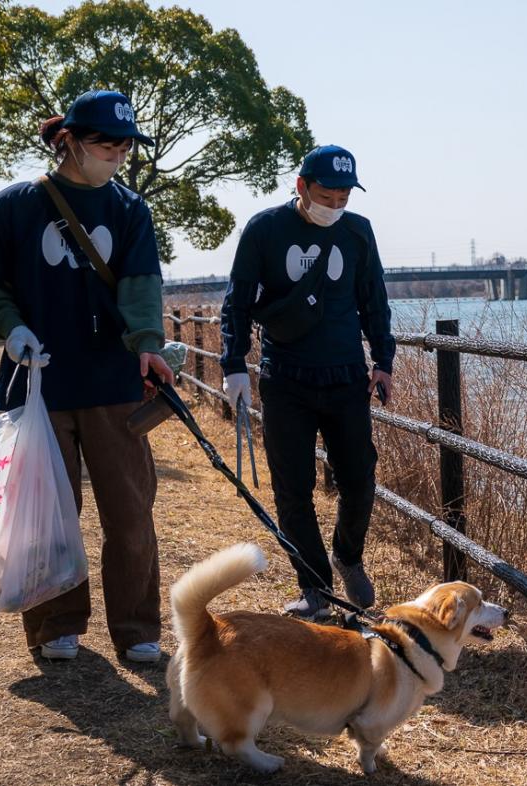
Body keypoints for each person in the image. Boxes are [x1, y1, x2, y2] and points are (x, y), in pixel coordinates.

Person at [0, 89, 174, 662]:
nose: (116, 154)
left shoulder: (131, 210)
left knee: (131, 514)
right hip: (38, 386)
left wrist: (147, 346)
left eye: (124, 145)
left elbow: (140, 290)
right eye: (104, 143)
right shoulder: (14, 204)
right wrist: (10, 328)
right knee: (46, 514)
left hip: (113, 386)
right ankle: (55, 623)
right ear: (69, 141)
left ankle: (138, 630)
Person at [220, 144, 395, 620]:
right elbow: (236, 300)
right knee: (292, 488)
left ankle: (347, 555)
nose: (335, 206)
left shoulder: (358, 233)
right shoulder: (265, 229)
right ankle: (315, 587)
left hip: (345, 378)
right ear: (301, 186)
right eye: (326, 195)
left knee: (359, 479)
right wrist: (233, 362)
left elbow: (373, 296)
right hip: (286, 378)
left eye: (344, 198)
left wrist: (383, 358)